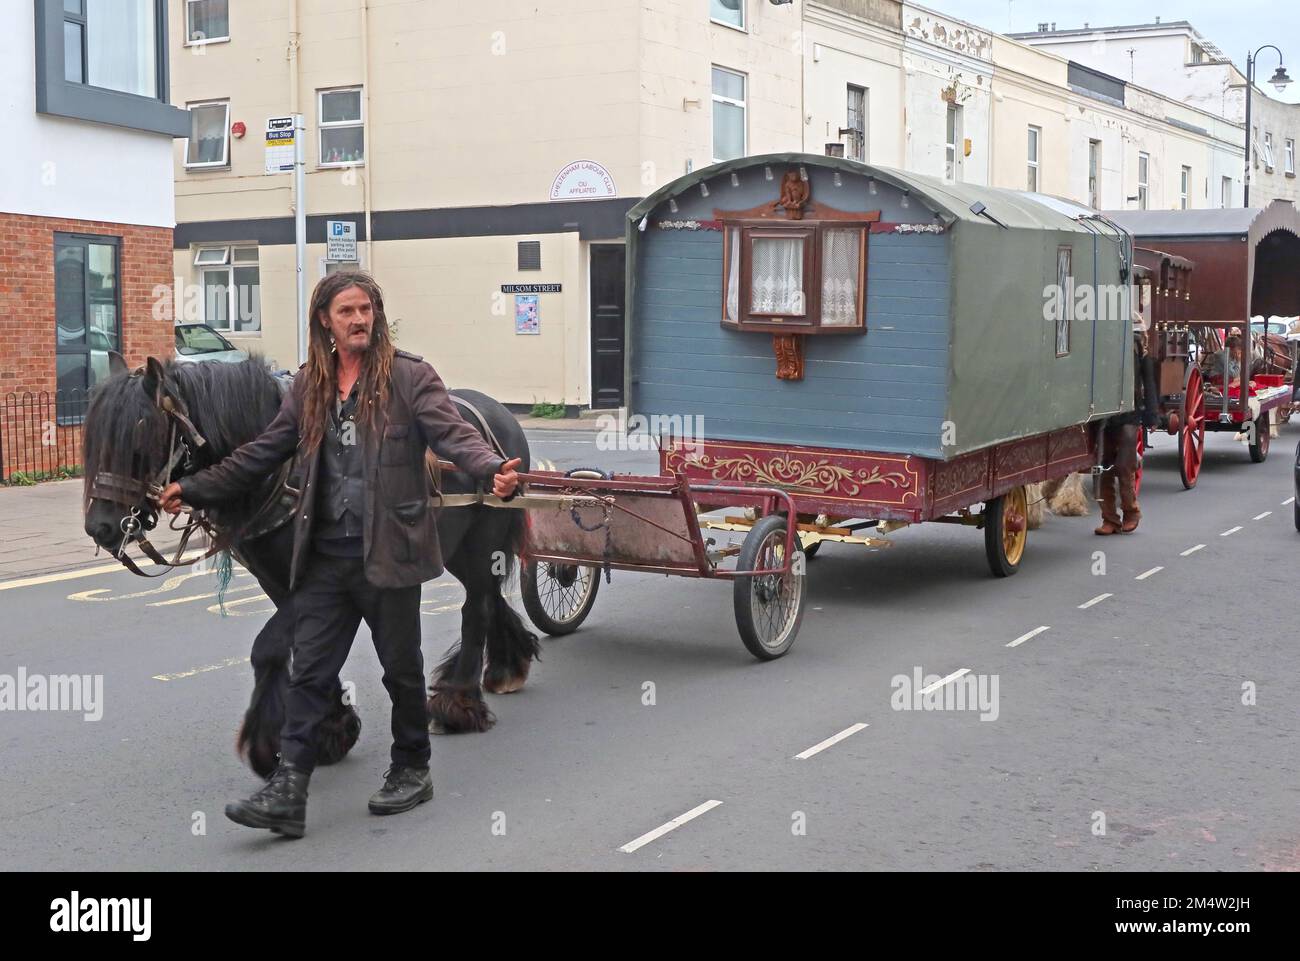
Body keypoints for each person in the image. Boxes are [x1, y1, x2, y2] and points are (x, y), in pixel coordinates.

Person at [158, 270, 520, 838]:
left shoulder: (410, 377)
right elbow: (262, 452)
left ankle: (411, 767)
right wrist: (196, 488)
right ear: (324, 320)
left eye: (365, 309)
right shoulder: (309, 386)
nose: (358, 320)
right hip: (325, 556)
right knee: (310, 675)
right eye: (346, 311)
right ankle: (288, 791)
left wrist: (493, 469)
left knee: (400, 672)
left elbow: (453, 435)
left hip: (390, 552)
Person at [1096, 330, 1158, 535]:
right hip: (1105, 412)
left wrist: (1151, 416)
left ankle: (1131, 512)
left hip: (1130, 413)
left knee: (1124, 464)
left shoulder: (1140, 349)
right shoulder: (1102, 344)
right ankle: (1110, 519)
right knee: (1103, 466)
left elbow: (1149, 384)